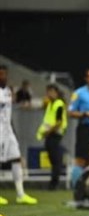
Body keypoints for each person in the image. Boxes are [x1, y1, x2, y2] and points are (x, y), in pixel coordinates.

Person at [0, 66, 37, 204]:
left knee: (16, 158)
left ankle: (20, 194)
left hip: (8, 130)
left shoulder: (8, 91)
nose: (3, 77)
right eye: (1, 74)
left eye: (5, 74)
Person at [36, 84, 67, 190]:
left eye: (52, 92)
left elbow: (59, 121)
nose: (50, 94)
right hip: (50, 134)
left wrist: (48, 131)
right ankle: (53, 182)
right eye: (48, 92)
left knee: (56, 159)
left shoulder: (59, 104)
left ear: (56, 93)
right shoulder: (50, 104)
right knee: (53, 159)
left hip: (55, 133)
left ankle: (54, 183)